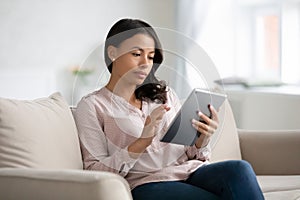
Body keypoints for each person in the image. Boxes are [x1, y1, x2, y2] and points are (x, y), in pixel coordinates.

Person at [74, 18, 264, 200]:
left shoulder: (164, 94)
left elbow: (190, 153)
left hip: (190, 171)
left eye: (150, 56)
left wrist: (201, 139)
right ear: (112, 53)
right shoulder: (92, 106)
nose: (145, 64)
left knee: (240, 168)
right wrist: (141, 142)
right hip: (147, 183)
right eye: (136, 54)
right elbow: (95, 172)